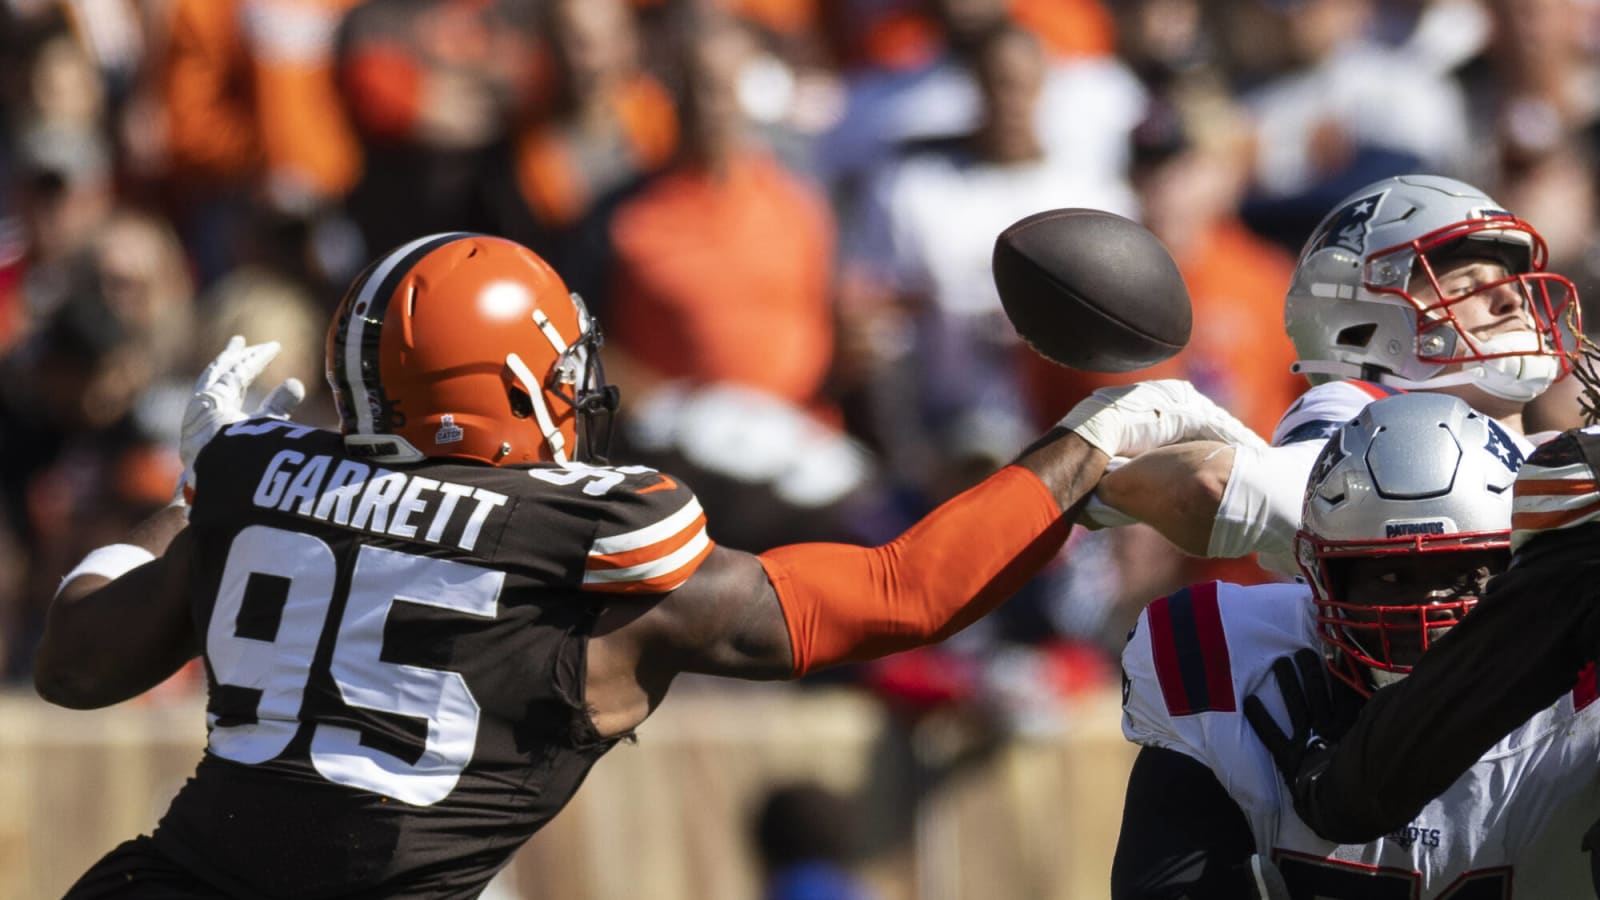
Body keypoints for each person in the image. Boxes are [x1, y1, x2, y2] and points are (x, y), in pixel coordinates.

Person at [30, 232, 1259, 899]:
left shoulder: (258, 480)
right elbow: (904, 593)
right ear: (510, 389)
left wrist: (187, 511)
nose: (579, 390)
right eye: (560, 369)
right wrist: (1095, 439)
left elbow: (78, 664)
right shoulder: (593, 540)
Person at [1112, 391, 1600, 899]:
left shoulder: (1582, 677)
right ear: (1320, 576)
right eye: (1390, 576)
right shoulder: (1235, 666)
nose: (1425, 610)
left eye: (1461, 577)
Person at [1091, 173, 1583, 576]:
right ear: (1363, 326)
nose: (1511, 300)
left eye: (1514, 285)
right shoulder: (1361, 411)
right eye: (1466, 284)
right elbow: (1212, 485)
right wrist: (1103, 484)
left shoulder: (1556, 446)